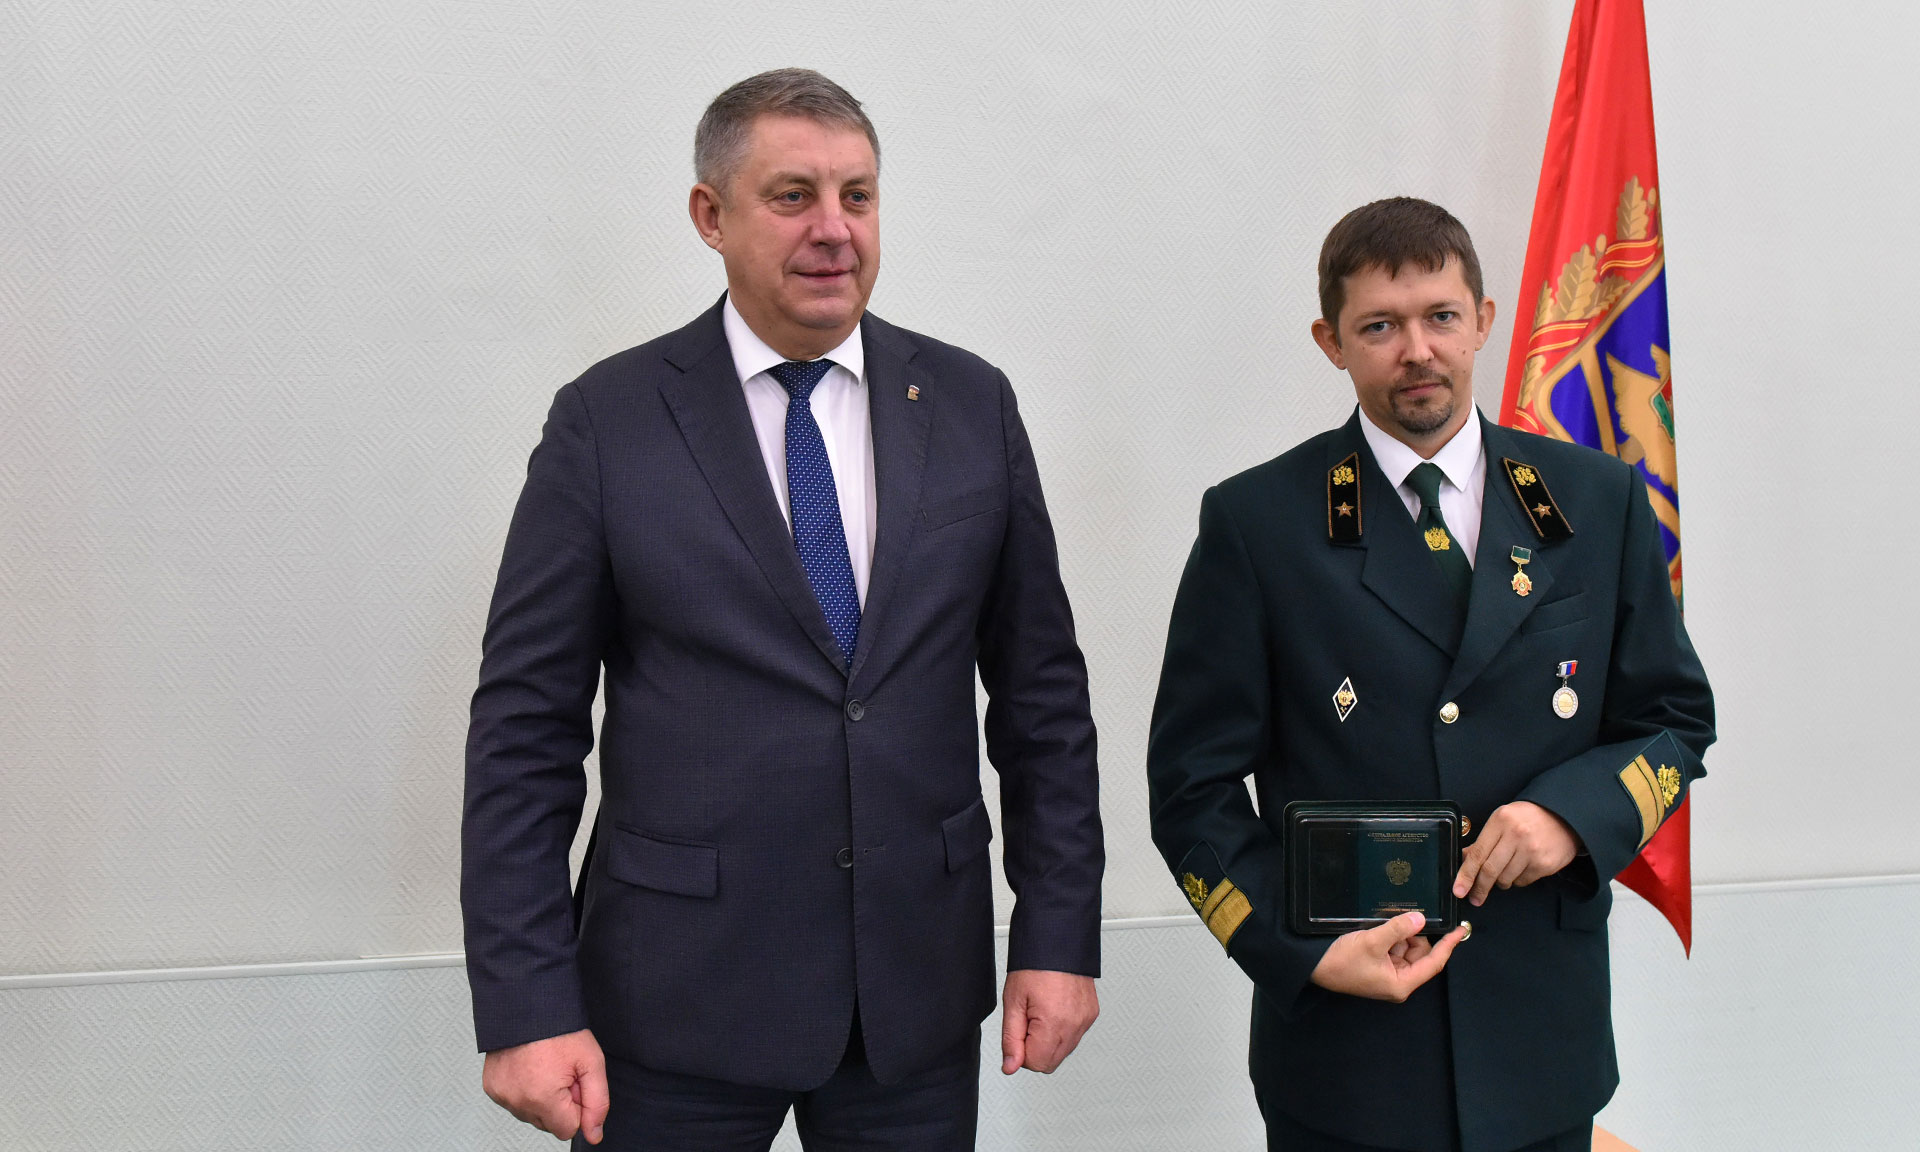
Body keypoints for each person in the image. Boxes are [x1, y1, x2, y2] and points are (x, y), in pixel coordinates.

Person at [462, 68, 1103, 1150]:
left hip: (911, 1002)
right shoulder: (608, 423)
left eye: (858, 196)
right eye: (793, 196)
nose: (834, 229)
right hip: (673, 1008)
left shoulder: (970, 404)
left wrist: (1058, 934)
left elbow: (1043, 699)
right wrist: (527, 1004)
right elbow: (524, 733)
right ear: (711, 215)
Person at [1145, 197, 1713, 1152]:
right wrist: (1301, 952)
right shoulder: (1258, 524)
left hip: (1541, 1038)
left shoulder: (1596, 498)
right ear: (1331, 342)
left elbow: (1673, 720)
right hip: (1348, 1056)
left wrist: (1570, 818)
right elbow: (1190, 788)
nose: (1417, 350)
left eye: (1441, 317)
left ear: (1483, 320)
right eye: (1380, 326)